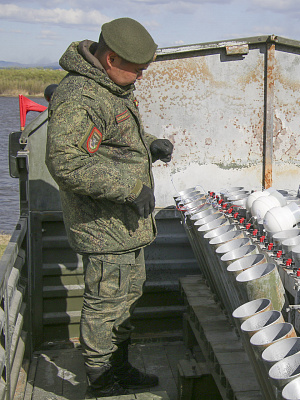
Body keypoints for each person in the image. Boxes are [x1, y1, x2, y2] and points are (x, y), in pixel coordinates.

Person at [45, 17, 174, 397]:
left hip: (126, 227)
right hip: (103, 228)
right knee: (105, 305)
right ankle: (100, 379)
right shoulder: (80, 97)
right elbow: (66, 162)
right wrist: (130, 189)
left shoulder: (111, 87)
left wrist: (150, 144)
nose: (141, 76)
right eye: (137, 68)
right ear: (111, 58)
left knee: (127, 300)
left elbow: (115, 137)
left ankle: (120, 366)